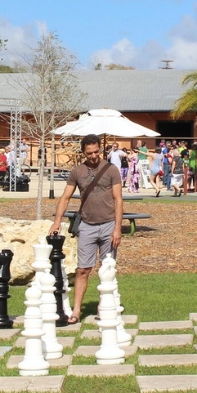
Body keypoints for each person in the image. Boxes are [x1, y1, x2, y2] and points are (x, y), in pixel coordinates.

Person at [49, 134, 123, 324]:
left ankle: (104, 307)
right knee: (83, 270)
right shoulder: (77, 172)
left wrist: (117, 228)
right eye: (89, 152)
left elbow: (118, 199)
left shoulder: (111, 169)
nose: (93, 155)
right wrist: (57, 221)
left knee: (107, 269)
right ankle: (76, 312)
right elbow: (65, 198)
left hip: (108, 225)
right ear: (83, 152)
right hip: (87, 226)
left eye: (97, 151)